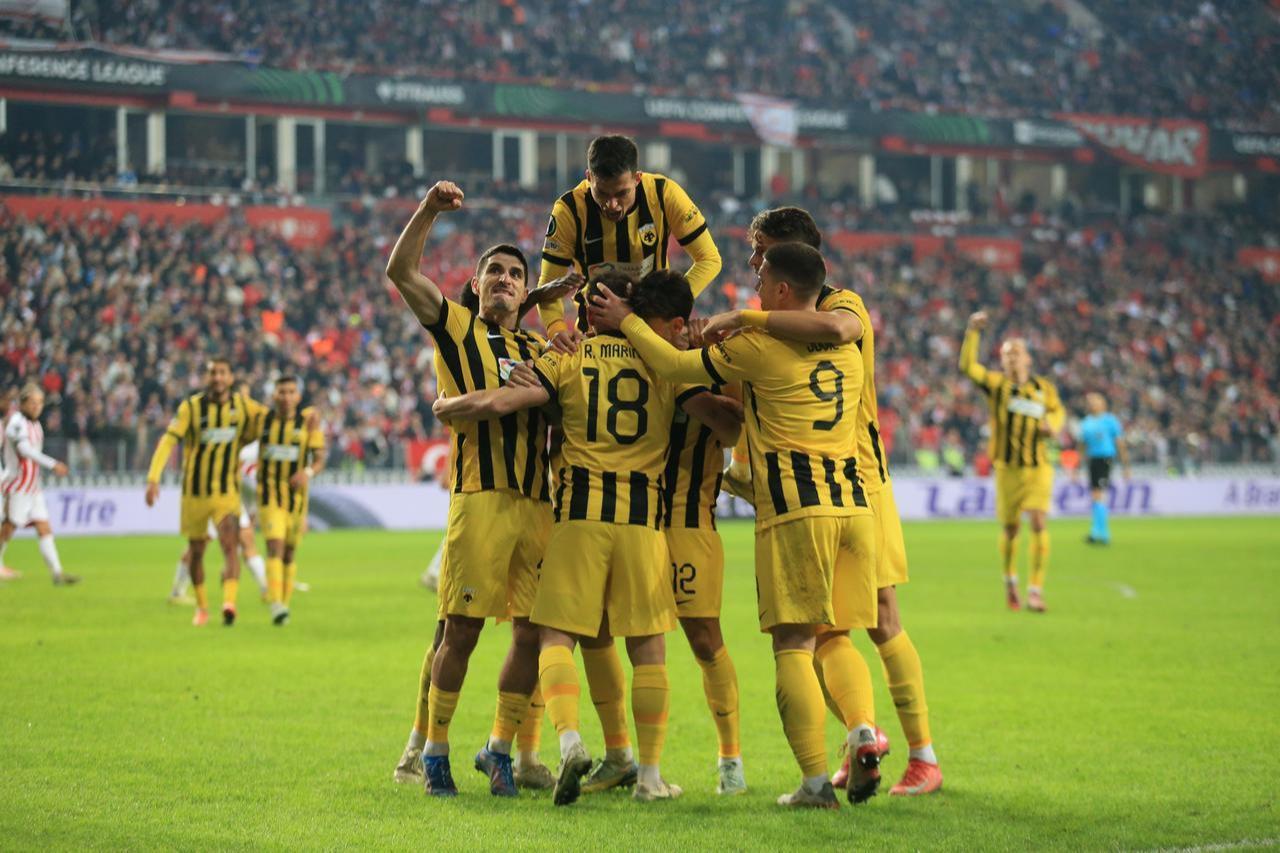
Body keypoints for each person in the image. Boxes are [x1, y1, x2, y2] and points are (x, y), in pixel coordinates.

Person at [592, 243, 882, 810]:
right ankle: (864, 728)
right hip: (855, 503)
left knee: (794, 644)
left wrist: (627, 322)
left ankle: (816, 783)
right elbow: (831, 331)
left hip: (800, 509)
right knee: (836, 635)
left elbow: (676, 367)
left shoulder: (758, 348)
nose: (751, 289)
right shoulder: (849, 341)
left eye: (759, 280)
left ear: (779, 291)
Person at [434, 270, 740, 806]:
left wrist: (449, 406)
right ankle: (648, 777)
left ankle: (570, 740)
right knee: (648, 649)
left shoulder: (566, 356)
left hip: (578, 516)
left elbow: (505, 403)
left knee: (554, 638)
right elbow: (727, 424)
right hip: (644, 520)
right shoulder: (664, 360)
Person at [700, 206, 941, 796]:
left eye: (762, 250)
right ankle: (864, 734)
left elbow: (836, 333)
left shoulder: (843, 304)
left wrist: (738, 320)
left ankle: (921, 755)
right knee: (832, 633)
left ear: (793, 255)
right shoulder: (770, 322)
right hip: (818, 485)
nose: (753, 261)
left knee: (877, 621)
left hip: (857, 480)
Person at [385, 180, 559, 798]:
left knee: (534, 634)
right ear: (478, 283)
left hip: (537, 506)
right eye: (494, 271)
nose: (505, 279)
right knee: (459, 631)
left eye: (516, 273)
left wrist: (464, 404)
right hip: (480, 498)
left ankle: (501, 749)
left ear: (524, 288)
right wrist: (430, 209)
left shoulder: (541, 348)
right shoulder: (456, 329)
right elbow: (401, 270)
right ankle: (433, 753)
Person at [537, 134, 721, 349]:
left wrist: (665, 304)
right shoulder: (569, 209)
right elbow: (548, 283)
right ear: (589, 177)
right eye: (602, 193)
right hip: (593, 336)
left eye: (622, 193)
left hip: (654, 333)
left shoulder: (664, 193)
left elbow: (709, 259)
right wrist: (557, 329)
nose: (612, 205)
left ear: (637, 178)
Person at [145, 358, 267, 626]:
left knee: (230, 547)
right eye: (213, 373)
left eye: (223, 373)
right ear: (207, 377)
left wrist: (305, 420)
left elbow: (272, 421)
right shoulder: (191, 407)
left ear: (231, 377)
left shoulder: (243, 406)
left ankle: (229, 603)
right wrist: (154, 477)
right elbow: (168, 440)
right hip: (195, 494)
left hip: (227, 494)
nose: (218, 378)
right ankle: (201, 607)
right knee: (196, 552)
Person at [959, 312, 1064, 613]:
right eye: (1006, 354)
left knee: (1039, 520)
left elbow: (1057, 412)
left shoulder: (1043, 389)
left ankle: (1035, 590)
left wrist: (1053, 425)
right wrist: (973, 333)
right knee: (1010, 530)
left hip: (1038, 467)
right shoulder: (996, 385)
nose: (1011, 358)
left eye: (1016, 353)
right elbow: (967, 367)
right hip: (1007, 469)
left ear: (1027, 358)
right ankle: (1010, 581)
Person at [256, 376, 326, 625]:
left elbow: (319, 459)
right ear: (274, 395)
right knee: (274, 547)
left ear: (297, 396)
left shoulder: (308, 423)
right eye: (281, 392)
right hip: (269, 497)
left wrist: (306, 473)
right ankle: (275, 603)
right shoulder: (261, 420)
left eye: (291, 392)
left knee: (289, 553)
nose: (286, 396)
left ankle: (283, 606)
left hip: (296, 502)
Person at [0, 385, 78, 585]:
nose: (36, 406)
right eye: (32, 402)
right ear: (23, 403)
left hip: (33, 486)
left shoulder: (36, 425)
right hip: (17, 484)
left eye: (40, 403)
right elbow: (24, 450)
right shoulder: (16, 423)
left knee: (44, 527)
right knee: (9, 526)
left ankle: (57, 574)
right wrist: (53, 464)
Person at [1079, 392, 1130, 545]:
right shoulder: (1086, 422)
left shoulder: (1110, 420)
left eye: (1095, 401)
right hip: (1092, 460)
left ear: (1103, 404)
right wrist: (1076, 466)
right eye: (1090, 402)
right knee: (1095, 495)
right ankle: (1098, 532)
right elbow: (1082, 445)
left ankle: (1102, 533)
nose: (1092, 404)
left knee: (1098, 495)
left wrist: (1125, 466)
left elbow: (1120, 443)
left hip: (1105, 459)